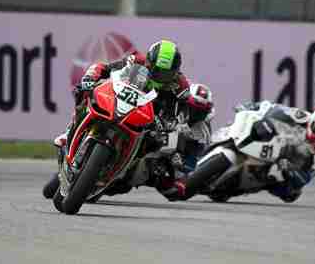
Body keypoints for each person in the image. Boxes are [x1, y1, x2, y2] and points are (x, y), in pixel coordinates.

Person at [46, 39, 214, 197]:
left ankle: (124, 167)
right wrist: (91, 78)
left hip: (150, 117)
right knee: (85, 94)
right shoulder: (136, 60)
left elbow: (180, 113)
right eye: (156, 69)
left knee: (154, 144)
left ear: (175, 71)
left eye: (165, 73)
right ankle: (71, 130)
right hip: (123, 100)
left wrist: (168, 123)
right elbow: (107, 68)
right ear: (149, 61)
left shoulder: (181, 86)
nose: (158, 75)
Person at [157, 101, 315, 204]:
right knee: (240, 131)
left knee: (288, 192)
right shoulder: (301, 117)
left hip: (286, 168)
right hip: (272, 145)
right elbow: (274, 109)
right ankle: (200, 160)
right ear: (313, 121)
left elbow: (306, 177)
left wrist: (292, 171)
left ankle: (239, 187)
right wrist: (254, 107)